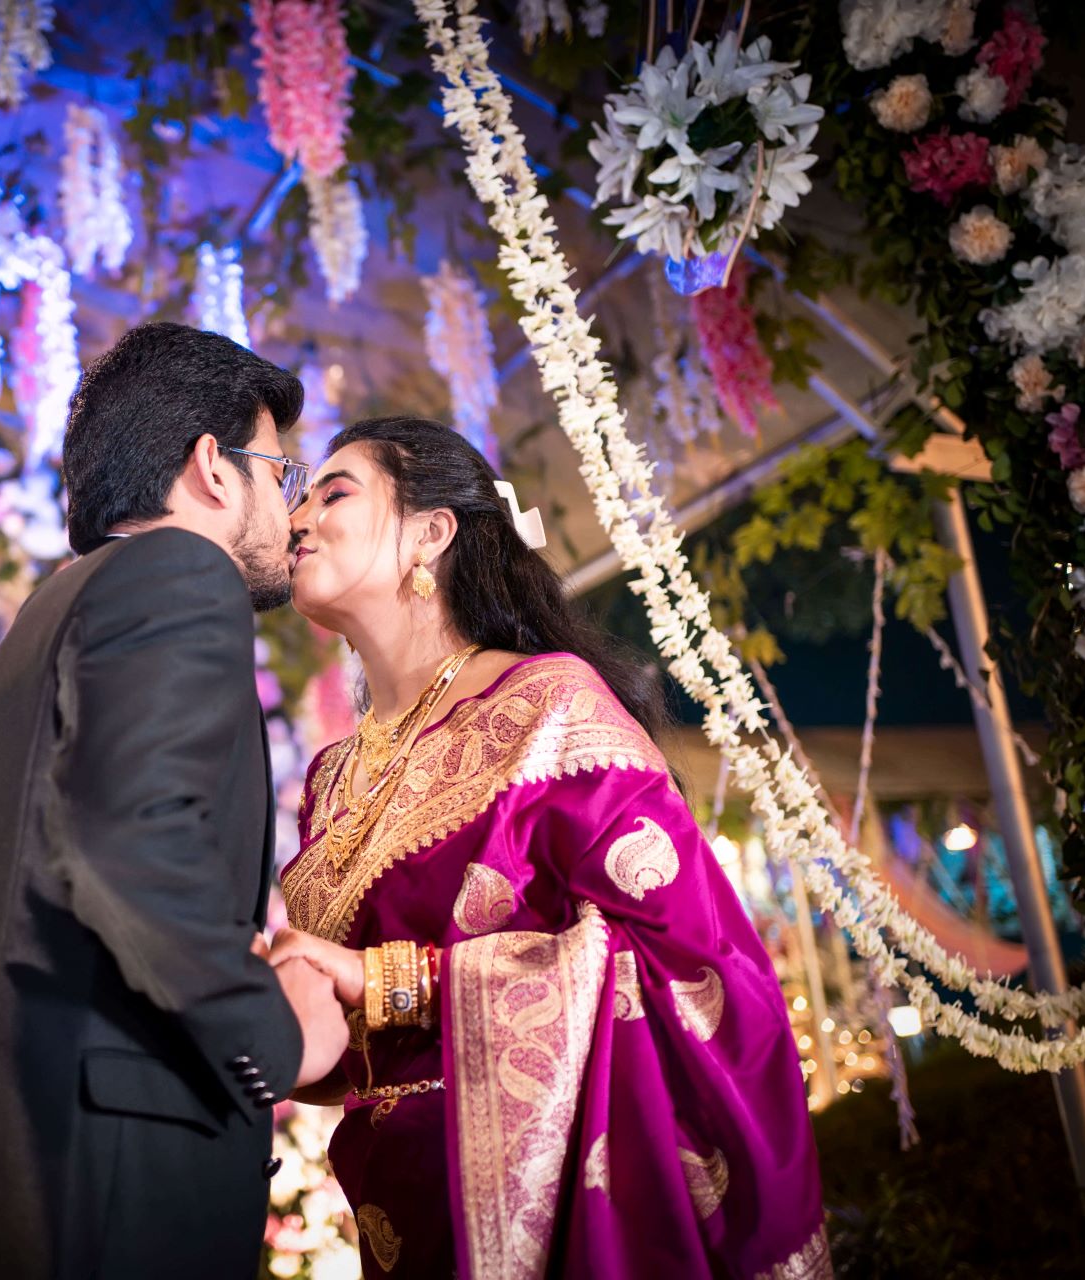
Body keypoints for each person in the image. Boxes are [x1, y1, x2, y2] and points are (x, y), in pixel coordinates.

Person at [268, 417, 826, 1279]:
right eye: (296, 497)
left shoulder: (553, 707)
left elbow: (688, 962)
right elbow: (354, 1044)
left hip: (567, 1209)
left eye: (332, 493)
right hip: (402, 1213)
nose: (296, 517)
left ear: (430, 531)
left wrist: (390, 978)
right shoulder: (331, 777)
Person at [0, 322, 350, 1279]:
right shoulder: (179, 573)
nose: (291, 515)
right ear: (213, 466)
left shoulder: (9, 670)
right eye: (280, 476)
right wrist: (270, 1031)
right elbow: (130, 839)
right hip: (98, 1212)